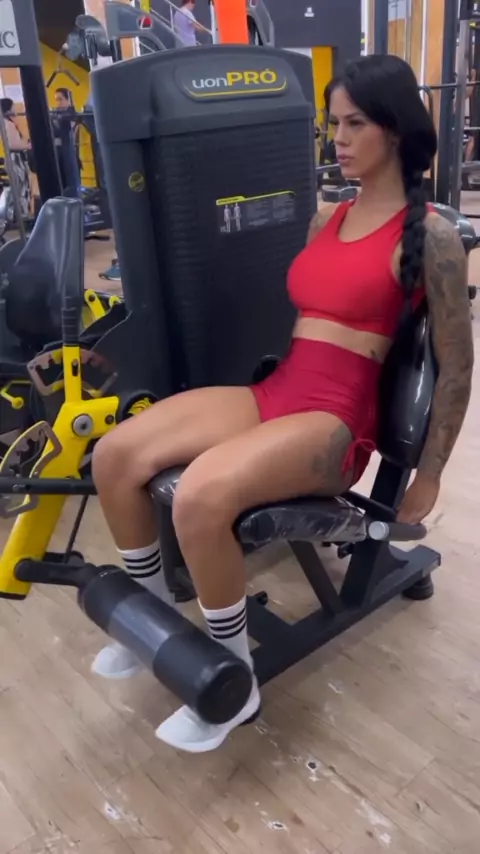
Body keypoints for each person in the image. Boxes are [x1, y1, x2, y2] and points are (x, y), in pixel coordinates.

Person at [91, 55, 474, 753]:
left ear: (393, 128)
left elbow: (457, 363)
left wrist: (430, 473)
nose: (338, 139)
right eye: (333, 124)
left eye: (354, 124)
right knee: (116, 454)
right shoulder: (326, 218)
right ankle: (151, 618)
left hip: (335, 422)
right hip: (282, 389)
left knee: (200, 495)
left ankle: (232, 678)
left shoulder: (433, 238)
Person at [0, 98, 32, 219]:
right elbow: (12, 145)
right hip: (16, 160)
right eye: (13, 106)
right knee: (21, 189)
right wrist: (28, 145)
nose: (15, 109)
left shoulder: (5, 123)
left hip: (13, 159)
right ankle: (22, 216)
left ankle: (16, 216)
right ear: (8, 108)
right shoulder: (8, 124)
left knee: (18, 189)